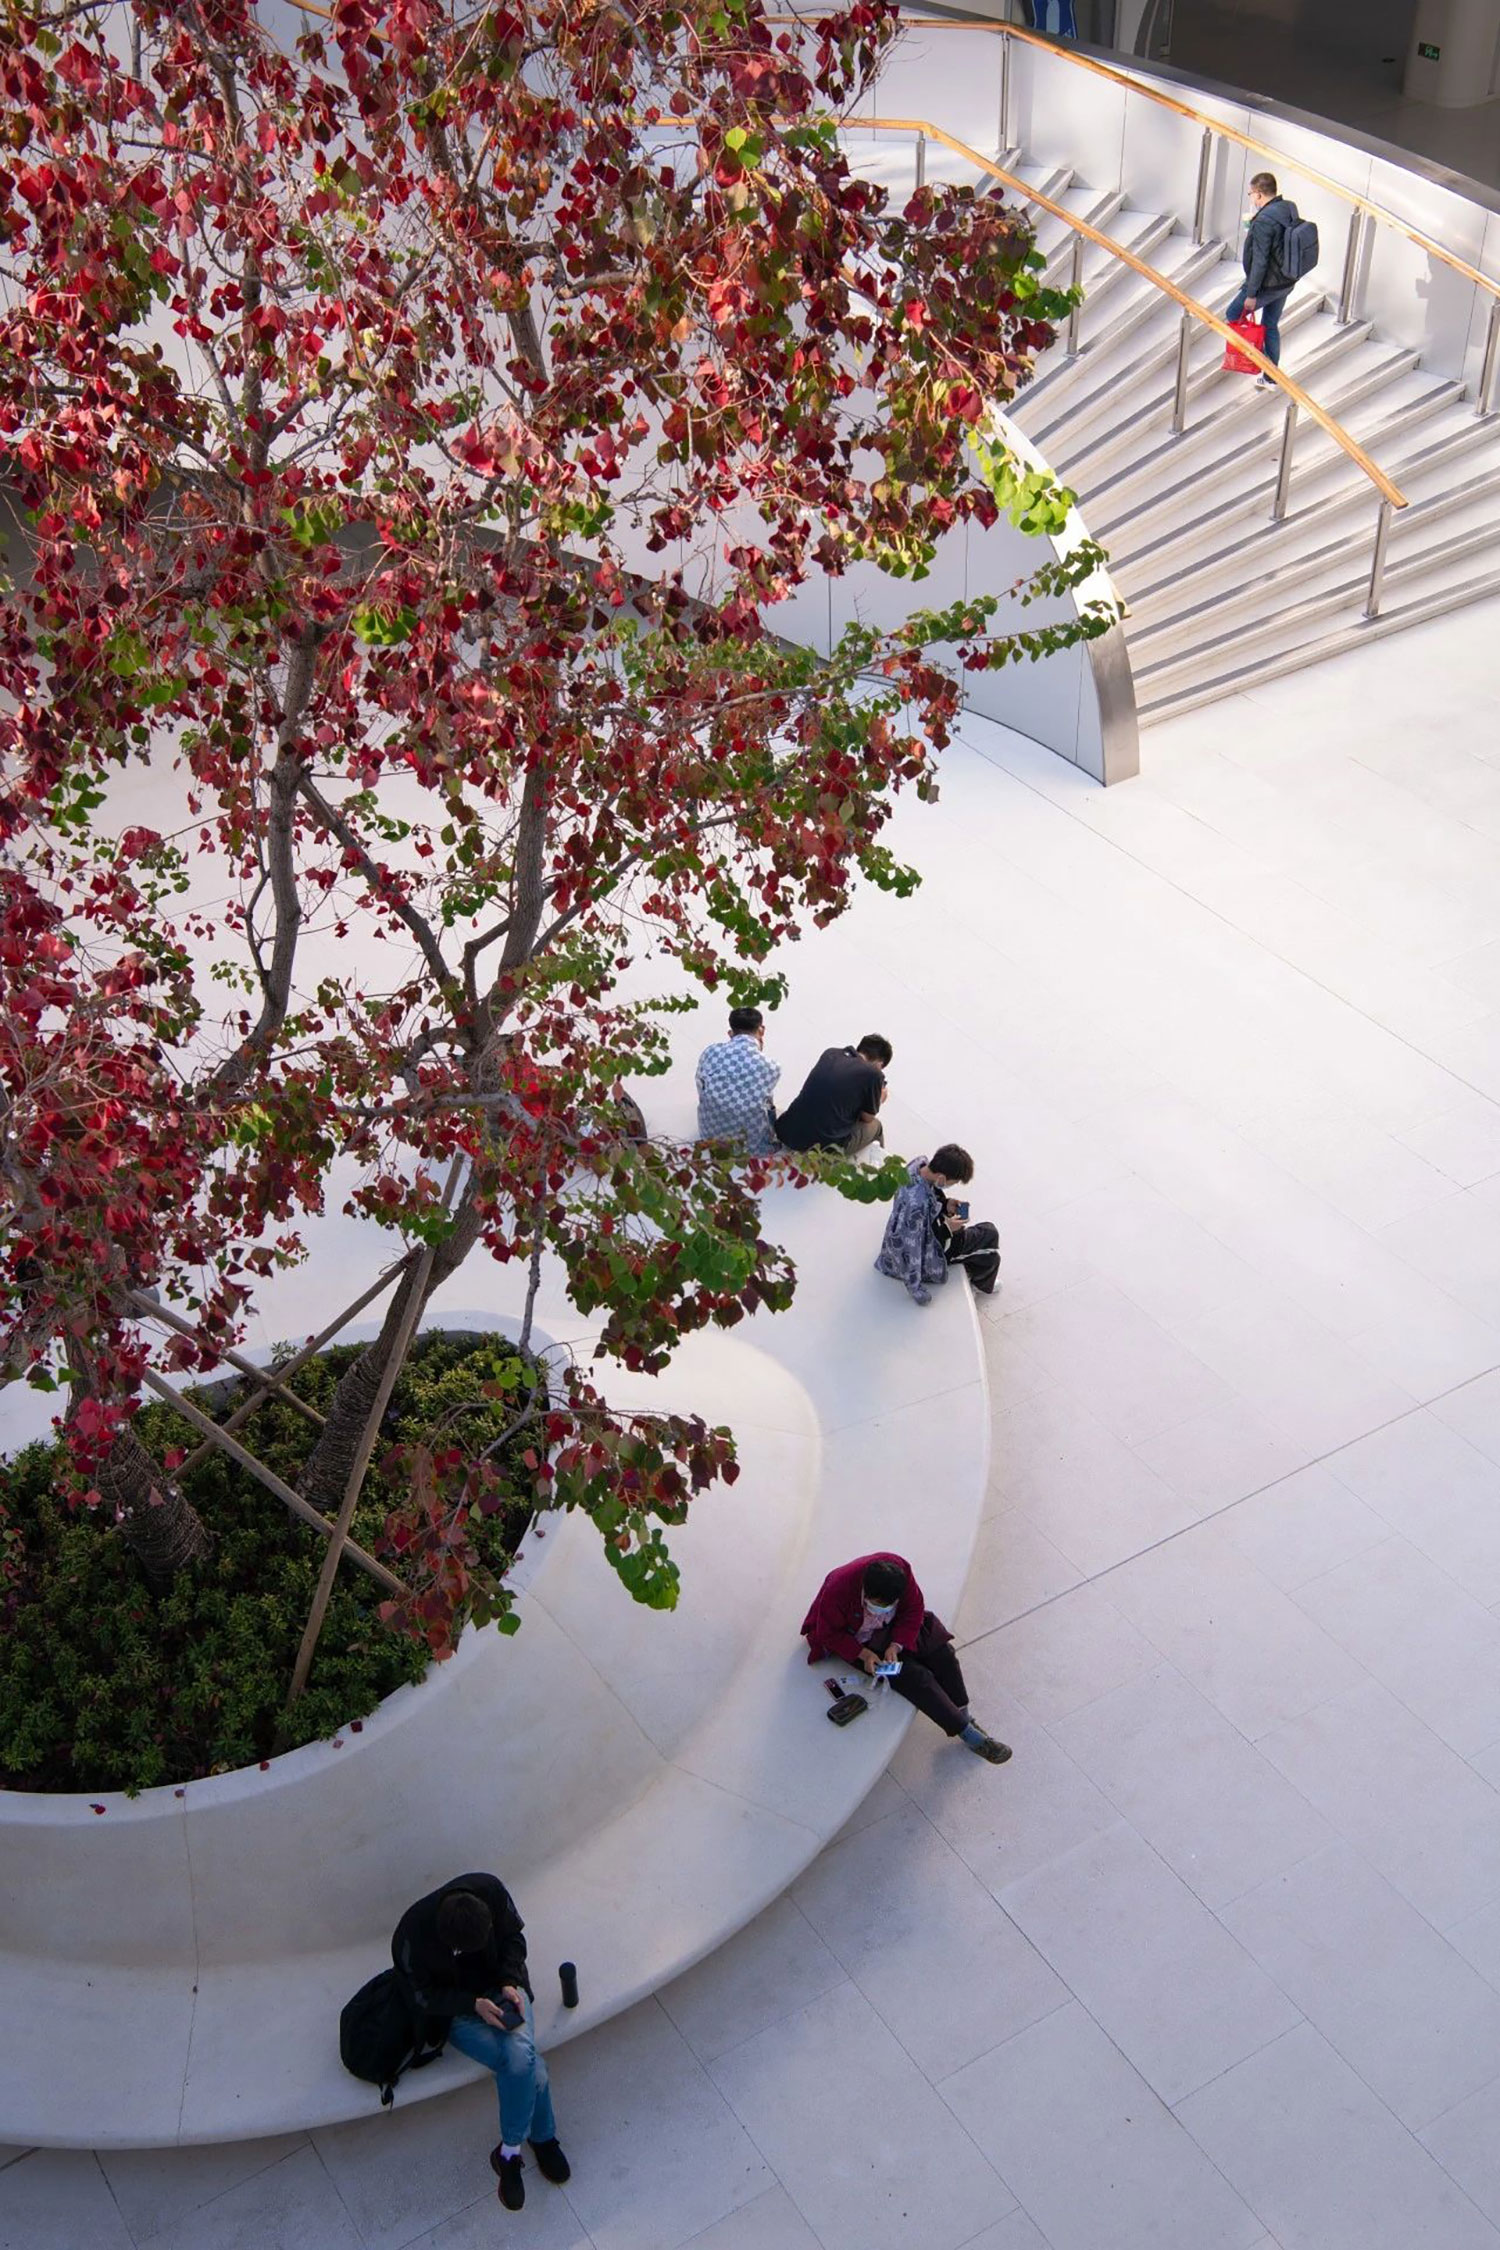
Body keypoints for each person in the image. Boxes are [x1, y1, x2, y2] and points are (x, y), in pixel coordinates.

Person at [392, 1872, 569, 2212]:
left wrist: (508, 1980)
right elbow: (420, 1997)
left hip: (505, 1991)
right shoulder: (411, 1936)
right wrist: (471, 2004)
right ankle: (539, 2138)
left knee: (520, 2060)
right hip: (459, 2009)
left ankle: (509, 2152)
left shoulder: (489, 1891)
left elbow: (514, 1939)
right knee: (531, 2068)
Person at [802, 1552, 1011, 1763]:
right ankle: (967, 1732)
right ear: (865, 1592)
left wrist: (896, 1644)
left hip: (895, 1628)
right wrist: (863, 1654)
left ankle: (962, 1712)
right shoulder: (838, 1589)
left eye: (889, 1604)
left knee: (943, 1654)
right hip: (860, 1639)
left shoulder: (899, 1570)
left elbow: (913, 1607)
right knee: (916, 1678)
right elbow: (829, 1633)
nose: (881, 1608)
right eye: (877, 1604)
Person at [875, 1144, 1000, 1305]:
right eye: (952, 1183)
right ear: (941, 1178)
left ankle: (978, 1271)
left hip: (916, 1234)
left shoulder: (916, 1167)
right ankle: (981, 1286)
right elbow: (915, 1248)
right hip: (933, 1249)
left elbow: (928, 1203)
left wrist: (945, 1203)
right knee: (991, 1248)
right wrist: (948, 1229)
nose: (951, 1186)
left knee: (986, 1232)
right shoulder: (917, 1205)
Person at [1228, 171, 1300, 393]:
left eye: (1251, 193)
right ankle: (1271, 376)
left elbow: (1260, 261)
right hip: (1286, 280)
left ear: (1259, 194)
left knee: (1233, 314)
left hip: (1267, 284)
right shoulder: (1288, 207)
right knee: (1270, 324)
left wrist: (1251, 294)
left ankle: (1266, 366)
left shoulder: (1264, 221)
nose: (1250, 198)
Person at [774, 1034, 891, 1156]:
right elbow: (868, 1118)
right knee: (876, 1126)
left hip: (787, 1129)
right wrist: (880, 1099)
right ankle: (880, 1170)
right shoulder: (874, 1074)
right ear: (880, 1063)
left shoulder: (831, 1053)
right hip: (823, 1146)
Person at [695, 1004, 780, 1153]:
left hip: (709, 1134)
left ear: (730, 1033)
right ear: (761, 1030)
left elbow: (701, 1087)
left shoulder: (710, 1052)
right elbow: (765, 1101)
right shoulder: (772, 1067)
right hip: (750, 1142)